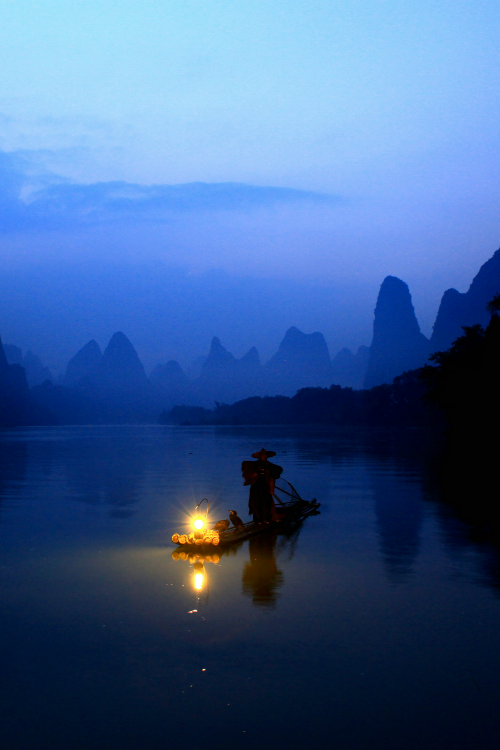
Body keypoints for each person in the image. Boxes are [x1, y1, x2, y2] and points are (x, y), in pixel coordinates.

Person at [241, 448, 283, 524]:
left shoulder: (269, 466)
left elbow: (273, 477)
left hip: (265, 487)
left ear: (267, 456)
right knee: (256, 503)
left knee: (266, 503)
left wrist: (271, 489)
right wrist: (254, 475)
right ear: (260, 456)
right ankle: (257, 520)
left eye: (265, 455)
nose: (264, 456)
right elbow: (249, 474)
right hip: (256, 487)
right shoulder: (254, 465)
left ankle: (265, 519)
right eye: (262, 455)